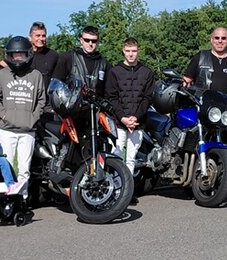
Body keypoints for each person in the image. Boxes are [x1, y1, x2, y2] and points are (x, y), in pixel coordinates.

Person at [0, 35, 46, 195]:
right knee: (6, 166)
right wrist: (5, 115)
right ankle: (7, 199)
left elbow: (41, 101)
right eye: (14, 55)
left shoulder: (36, 75)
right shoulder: (3, 74)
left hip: (27, 130)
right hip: (7, 129)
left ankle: (22, 198)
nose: (17, 58)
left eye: (21, 55)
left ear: (28, 55)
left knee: (24, 168)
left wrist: (33, 118)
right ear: (9, 55)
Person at [105, 37, 156, 175]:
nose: (131, 54)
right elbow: (112, 97)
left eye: (133, 51)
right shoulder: (115, 72)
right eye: (128, 51)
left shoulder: (147, 72)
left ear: (138, 51)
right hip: (118, 121)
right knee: (115, 155)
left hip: (138, 122)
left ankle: (128, 186)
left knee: (131, 158)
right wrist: (123, 118)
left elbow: (147, 98)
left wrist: (136, 117)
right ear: (123, 51)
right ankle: (115, 184)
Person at [184, 28, 227, 124]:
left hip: (226, 113)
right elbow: (186, 81)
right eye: (217, 38)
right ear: (211, 40)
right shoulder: (200, 57)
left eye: (223, 38)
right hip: (201, 109)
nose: (220, 41)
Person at [53, 25, 109, 95]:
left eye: (94, 41)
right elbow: (56, 85)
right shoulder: (67, 58)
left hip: (97, 101)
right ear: (81, 40)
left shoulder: (104, 64)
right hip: (72, 100)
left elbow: (109, 91)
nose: (90, 43)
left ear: (98, 41)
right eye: (87, 40)